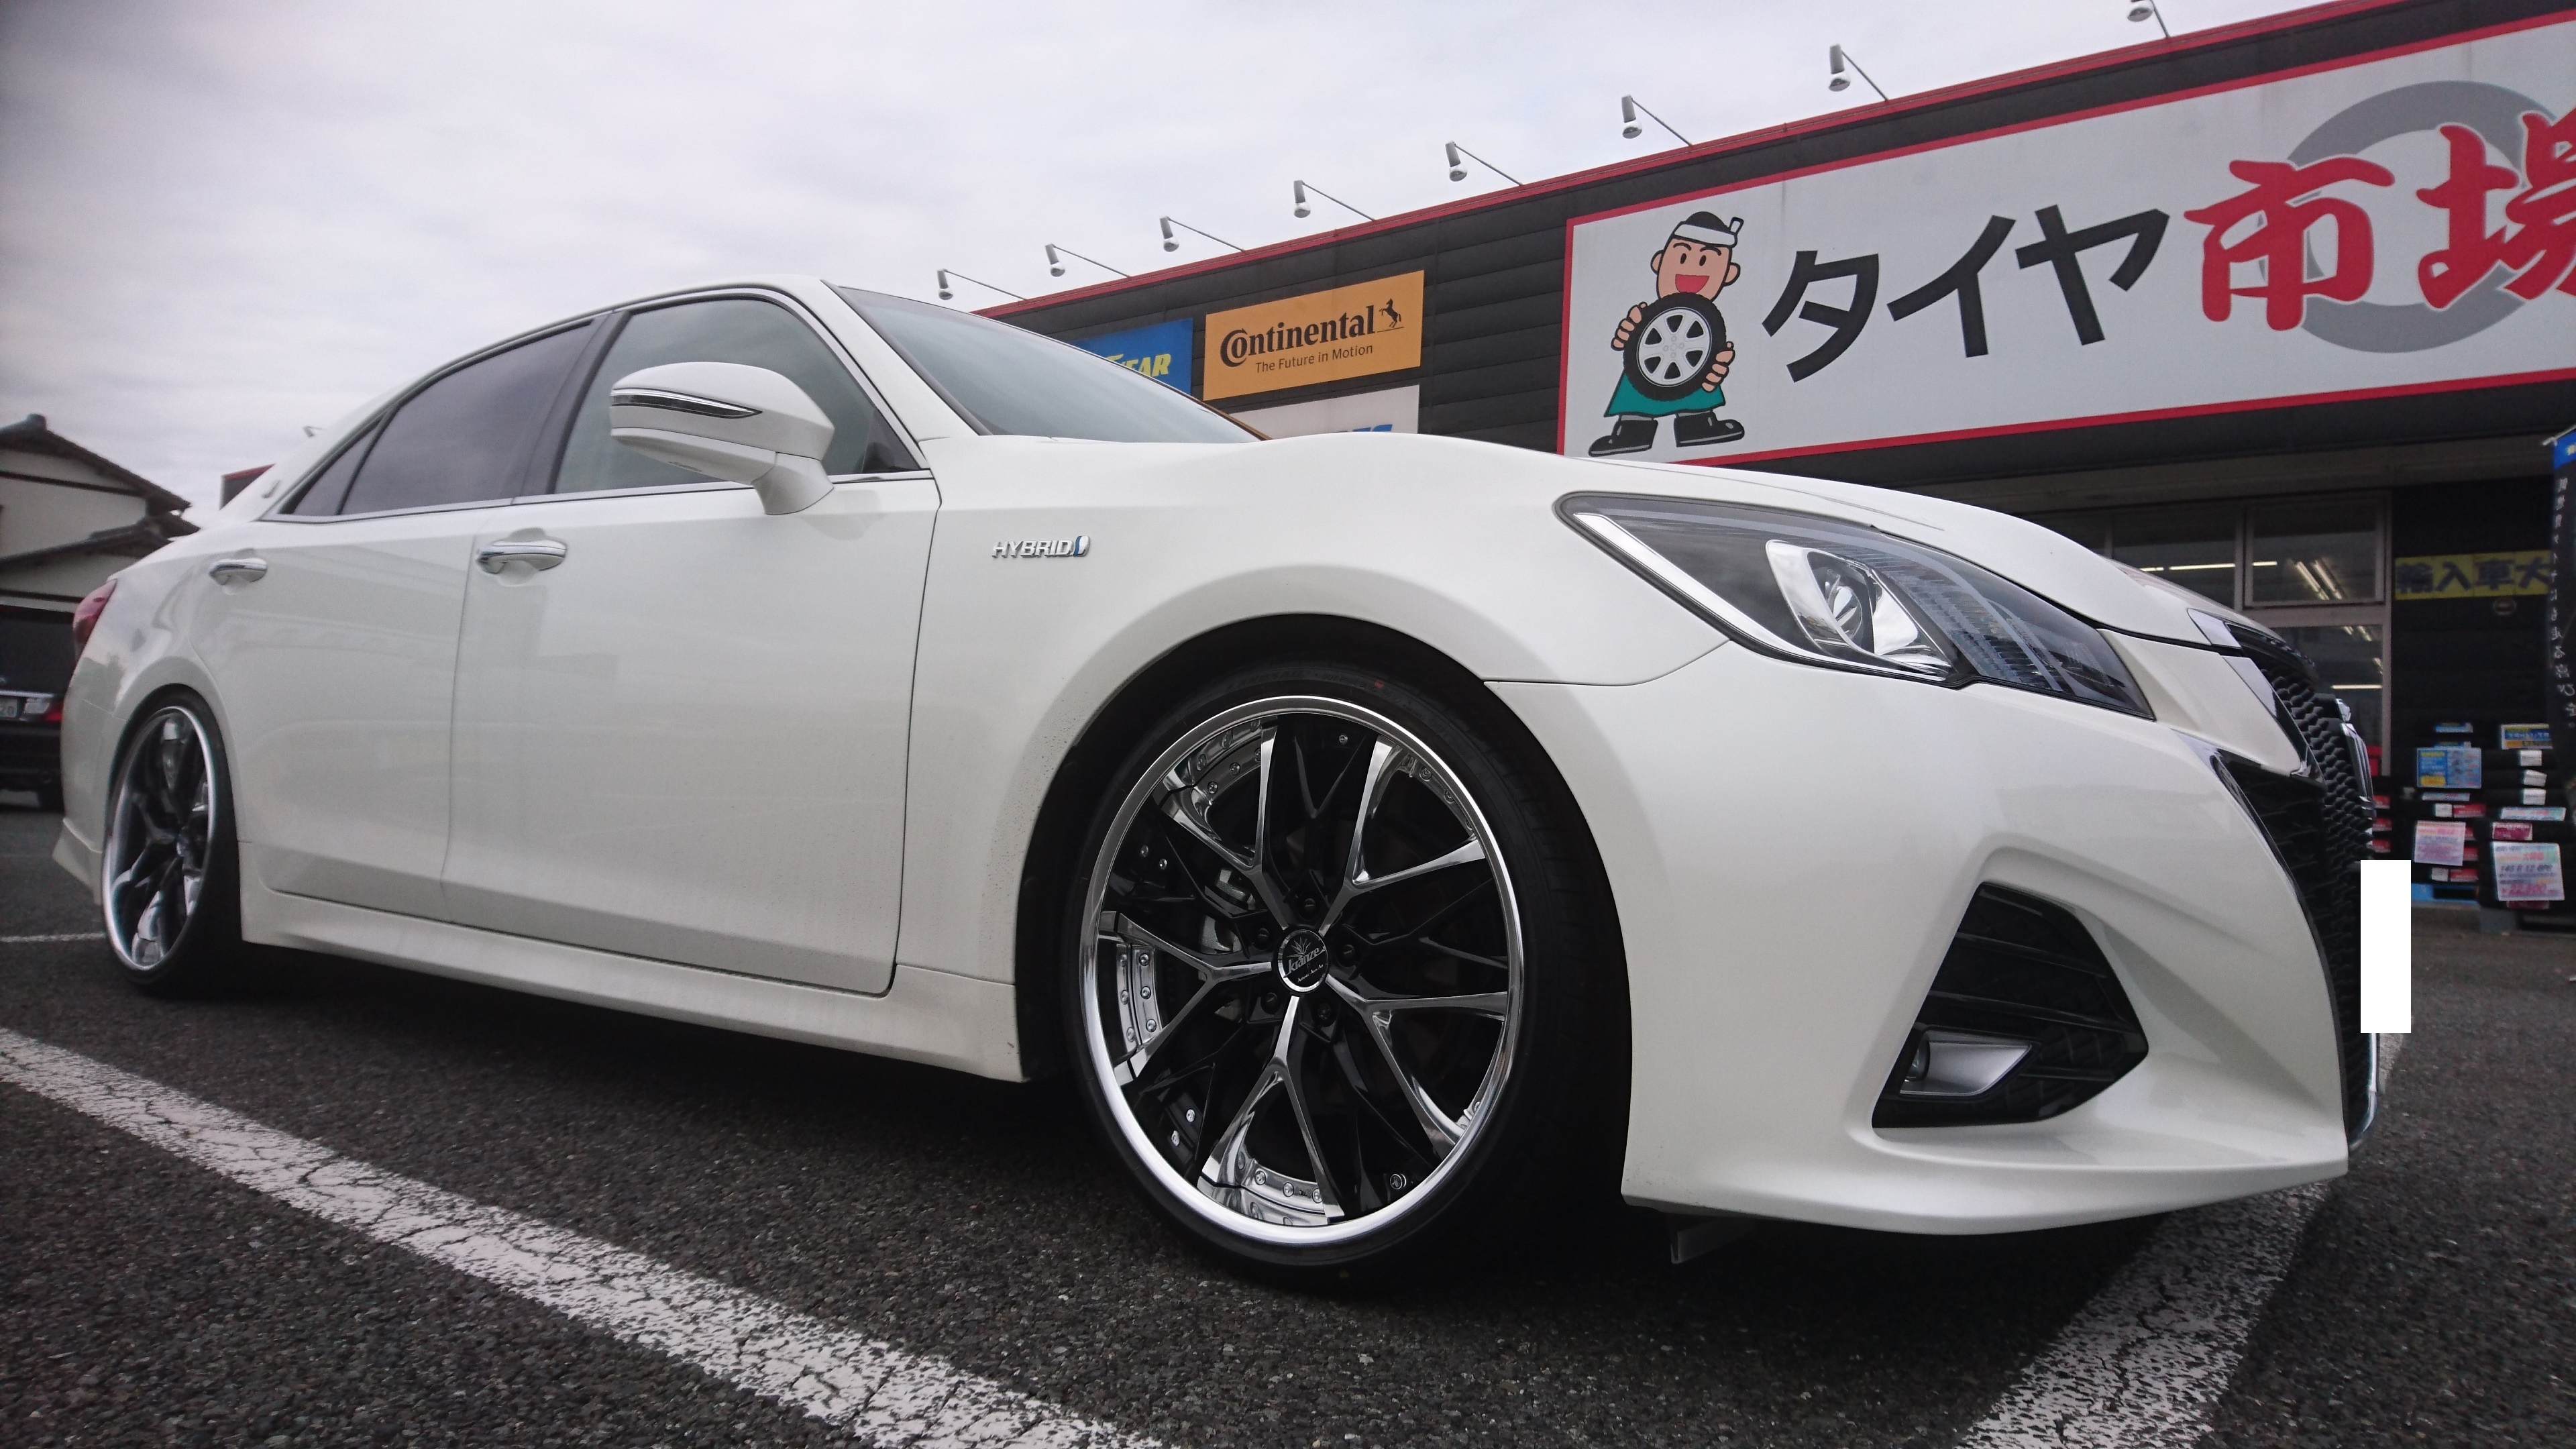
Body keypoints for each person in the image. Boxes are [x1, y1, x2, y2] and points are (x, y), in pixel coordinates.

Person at [1590, 212, 1746, 456]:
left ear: (1729, 274)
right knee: (1636, 398)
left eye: (1705, 261)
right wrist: (1627, 333)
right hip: (1643, 371)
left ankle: (1697, 426)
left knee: (1699, 395)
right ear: (1659, 262)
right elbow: (1625, 337)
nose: (1692, 269)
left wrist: (1717, 366)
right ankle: (1631, 433)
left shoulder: (1712, 326)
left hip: (1695, 371)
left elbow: (1718, 358)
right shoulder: (1646, 314)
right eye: (1682, 257)